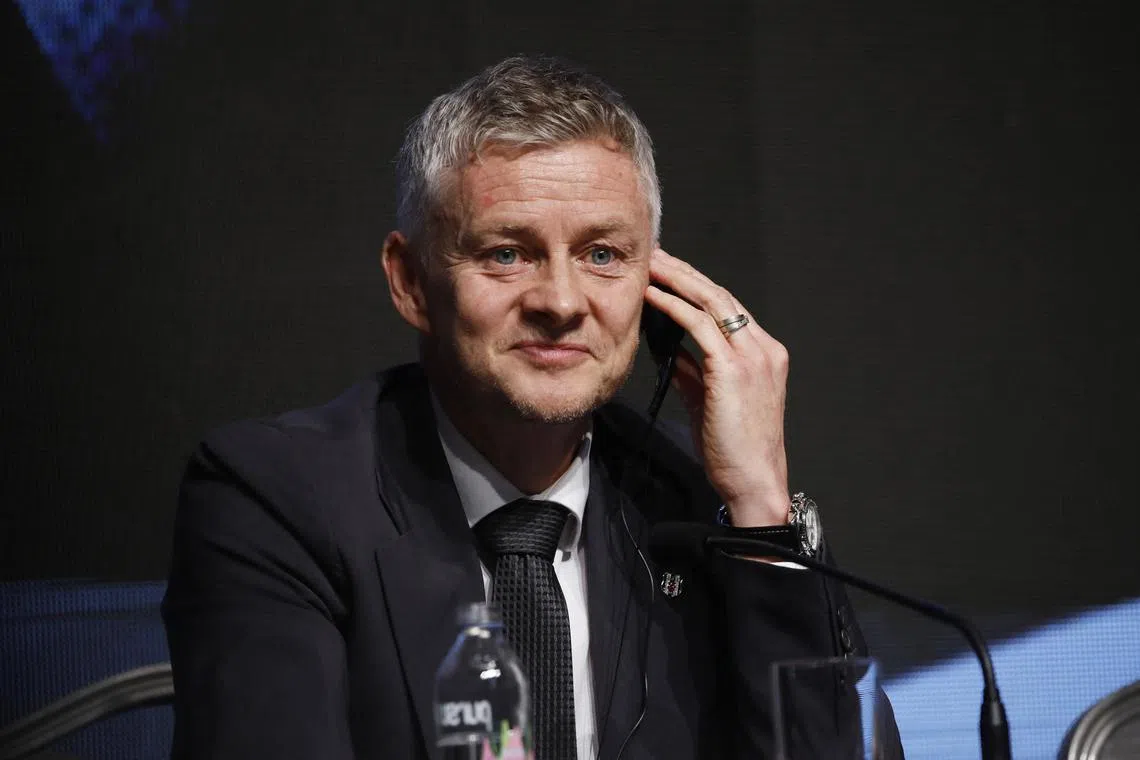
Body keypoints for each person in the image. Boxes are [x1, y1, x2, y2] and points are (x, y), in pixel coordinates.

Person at [162, 55, 902, 759]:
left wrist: (761, 509)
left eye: (603, 254)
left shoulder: (703, 504)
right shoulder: (277, 497)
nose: (561, 302)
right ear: (411, 282)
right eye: (507, 253)